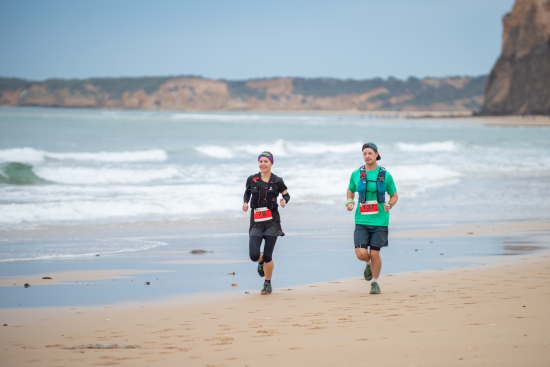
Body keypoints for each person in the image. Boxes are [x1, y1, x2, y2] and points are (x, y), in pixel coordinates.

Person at [346, 142, 398, 294]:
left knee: (375, 253)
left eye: (370, 153)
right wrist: (349, 202)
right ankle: (368, 263)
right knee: (361, 253)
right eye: (365, 154)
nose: (367, 156)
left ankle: (375, 282)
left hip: (380, 221)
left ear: (376, 154)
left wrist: (390, 204)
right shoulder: (356, 174)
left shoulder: (385, 175)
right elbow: (350, 190)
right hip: (361, 220)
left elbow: (394, 195)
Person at [243, 151, 290, 295]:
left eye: (266, 161)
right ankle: (260, 260)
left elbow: (286, 194)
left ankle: (267, 284)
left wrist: (284, 201)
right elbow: (247, 193)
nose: (263, 164)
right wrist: (245, 202)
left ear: (271, 163)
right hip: (256, 222)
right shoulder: (252, 179)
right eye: (261, 161)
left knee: (269, 256)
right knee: (253, 255)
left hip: (272, 222)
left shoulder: (277, 180)